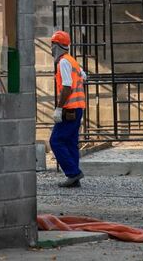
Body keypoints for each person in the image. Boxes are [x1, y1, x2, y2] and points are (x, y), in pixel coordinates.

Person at [49, 30, 87, 188]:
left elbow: (66, 87)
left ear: (56, 45)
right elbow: (84, 76)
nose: (51, 48)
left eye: (52, 44)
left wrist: (59, 108)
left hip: (69, 108)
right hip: (78, 107)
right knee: (71, 142)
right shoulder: (73, 61)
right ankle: (74, 177)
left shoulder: (64, 62)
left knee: (56, 141)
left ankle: (73, 173)